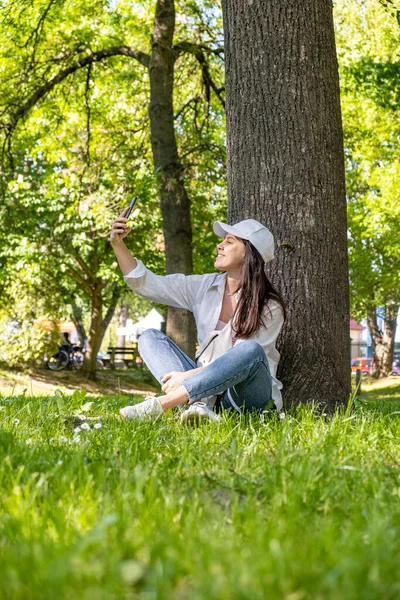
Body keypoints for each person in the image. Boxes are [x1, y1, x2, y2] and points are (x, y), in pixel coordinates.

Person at [110, 206, 286, 425]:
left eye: (230, 242)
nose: (219, 246)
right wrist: (118, 244)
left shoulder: (269, 306)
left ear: (249, 253)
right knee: (149, 338)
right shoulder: (203, 286)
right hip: (204, 393)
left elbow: (240, 362)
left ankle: (163, 404)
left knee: (250, 350)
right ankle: (199, 409)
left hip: (244, 397)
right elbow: (148, 284)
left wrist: (187, 377)